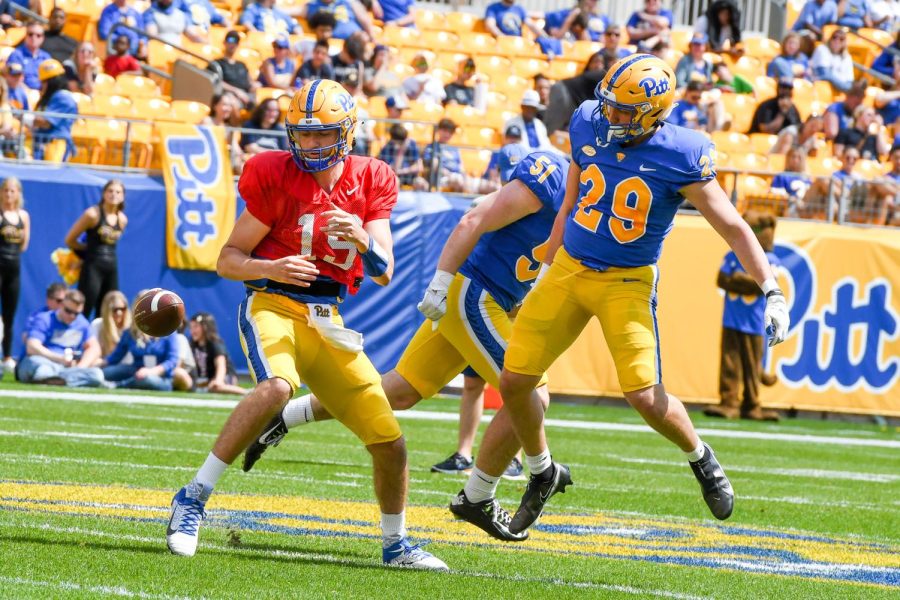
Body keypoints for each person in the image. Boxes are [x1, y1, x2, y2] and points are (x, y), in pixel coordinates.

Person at [492, 54, 790, 536]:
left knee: (645, 396)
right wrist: (547, 259)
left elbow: (732, 226)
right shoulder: (589, 119)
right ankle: (542, 471)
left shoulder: (682, 153)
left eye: (624, 112)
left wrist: (771, 289)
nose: (610, 117)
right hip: (570, 267)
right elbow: (572, 193)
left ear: (654, 113)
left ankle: (701, 457)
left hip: (627, 280)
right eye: (608, 106)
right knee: (514, 381)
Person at [165, 79, 448, 570]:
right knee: (277, 387)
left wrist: (361, 235)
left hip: (327, 320)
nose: (311, 144)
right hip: (272, 304)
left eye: (323, 135)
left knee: (391, 443)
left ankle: (396, 545)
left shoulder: (372, 178)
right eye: (304, 134)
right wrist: (269, 268)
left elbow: (385, 272)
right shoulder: (273, 173)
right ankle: (191, 498)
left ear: (348, 132)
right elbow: (228, 260)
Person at [243, 145, 568, 542]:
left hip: (493, 299)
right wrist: (442, 280)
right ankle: (489, 490)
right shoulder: (553, 176)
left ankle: (285, 416)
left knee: (398, 392)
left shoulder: (598, 204)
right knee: (531, 391)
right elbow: (475, 217)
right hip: (473, 294)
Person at [16, 289, 105, 387]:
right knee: (42, 369)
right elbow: (32, 347)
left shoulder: (82, 323)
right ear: (61, 305)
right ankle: (55, 379)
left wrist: (81, 367)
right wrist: (60, 359)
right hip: (44, 361)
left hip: (67, 369)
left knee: (97, 375)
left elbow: (94, 348)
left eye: (76, 313)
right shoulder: (45, 319)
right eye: (68, 311)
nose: (72, 316)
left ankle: (54, 380)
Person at [65, 179, 127, 319]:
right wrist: (87, 250)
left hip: (111, 267)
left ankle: (100, 341)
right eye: (110, 191)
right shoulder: (92, 214)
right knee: (83, 308)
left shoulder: (122, 219)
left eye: (118, 192)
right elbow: (70, 240)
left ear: (123, 196)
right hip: (92, 266)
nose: (113, 195)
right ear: (104, 193)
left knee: (108, 311)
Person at [102, 292, 189, 391]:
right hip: (136, 370)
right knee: (106, 372)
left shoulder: (168, 331)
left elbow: (172, 361)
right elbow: (115, 357)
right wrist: (97, 365)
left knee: (146, 379)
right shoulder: (130, 332)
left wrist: (152, 371)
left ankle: (119, 385)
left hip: (160, 376)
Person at [0, 177, 29, 369]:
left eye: (12, 190)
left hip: (14, 269)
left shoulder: (23, 216)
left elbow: (24, 245)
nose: (9, 194)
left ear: (18, 193)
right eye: (5, 190)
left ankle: (7, 356)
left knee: (10, 314)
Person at [31, 59, 77, 163]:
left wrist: (25, 117)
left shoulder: (63, 97)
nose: (42, 85)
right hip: (43, 143)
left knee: (50, 175)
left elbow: (46, 122)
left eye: (44, 82)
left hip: (55, 144)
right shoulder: (51, 97)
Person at [187, 312, 244, 395]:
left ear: (205, 327)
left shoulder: (214, 343)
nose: (192, 331)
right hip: (208, 379)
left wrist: (219, 380)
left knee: (214, 387)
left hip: (225, 376)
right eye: (191, 327)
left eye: (195, 327)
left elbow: (221, 365)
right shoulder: (193, 345)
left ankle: (247, 393)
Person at [208, 30, 256, 108]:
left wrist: (254, 85)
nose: (233, 44)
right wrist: (236, 91)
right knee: (233, 104)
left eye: (236, 42)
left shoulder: (242, 64)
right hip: (228, 94)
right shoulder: (216, 64)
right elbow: (216, 82)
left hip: (246, 95)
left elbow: (250, 81)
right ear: (224, 42)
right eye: (230, 40)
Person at [7, 21, 52, 91]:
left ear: (43, 38)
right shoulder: (17, 54)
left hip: (43, 93)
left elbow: (51, 80)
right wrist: (29, 92)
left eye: (38, 35)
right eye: (30, 34)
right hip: (23, 92)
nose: (34, 37)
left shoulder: (46, 57)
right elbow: (14, 80)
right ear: (25, 36)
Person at [770, 146, 812, 217]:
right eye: (793, 157)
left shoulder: (806, 178)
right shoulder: (781, 176)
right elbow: (779, 195)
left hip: (807, 207)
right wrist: (794, 200)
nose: (796, 160)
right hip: (790, 207)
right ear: (788, 158)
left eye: (799, 157)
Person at [301, 0, 374, 40]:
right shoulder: (313, 5)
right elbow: (293, 11)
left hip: (355, 42)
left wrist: (372, 37)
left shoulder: (349, 2)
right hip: (329, 44)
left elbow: (365, 20)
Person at [811, 27, 854, 93]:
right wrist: (845, 87)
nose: (837, 41)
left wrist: (846, 87)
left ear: (845, 43)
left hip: (838, 91)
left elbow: (850, 81)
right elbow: (824, 74)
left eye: (841, 39)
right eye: (834, 37)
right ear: (830, 39)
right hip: (821, 89)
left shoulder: (847, 57)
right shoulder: (822, 49)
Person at [91, 289, 132, 359]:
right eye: (115, 310)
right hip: (105, 364)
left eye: (122, 309)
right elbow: (92, 350)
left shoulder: (130, 327)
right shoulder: (97, 324)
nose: (119, 313)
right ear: (106, 310)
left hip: (127, 366)